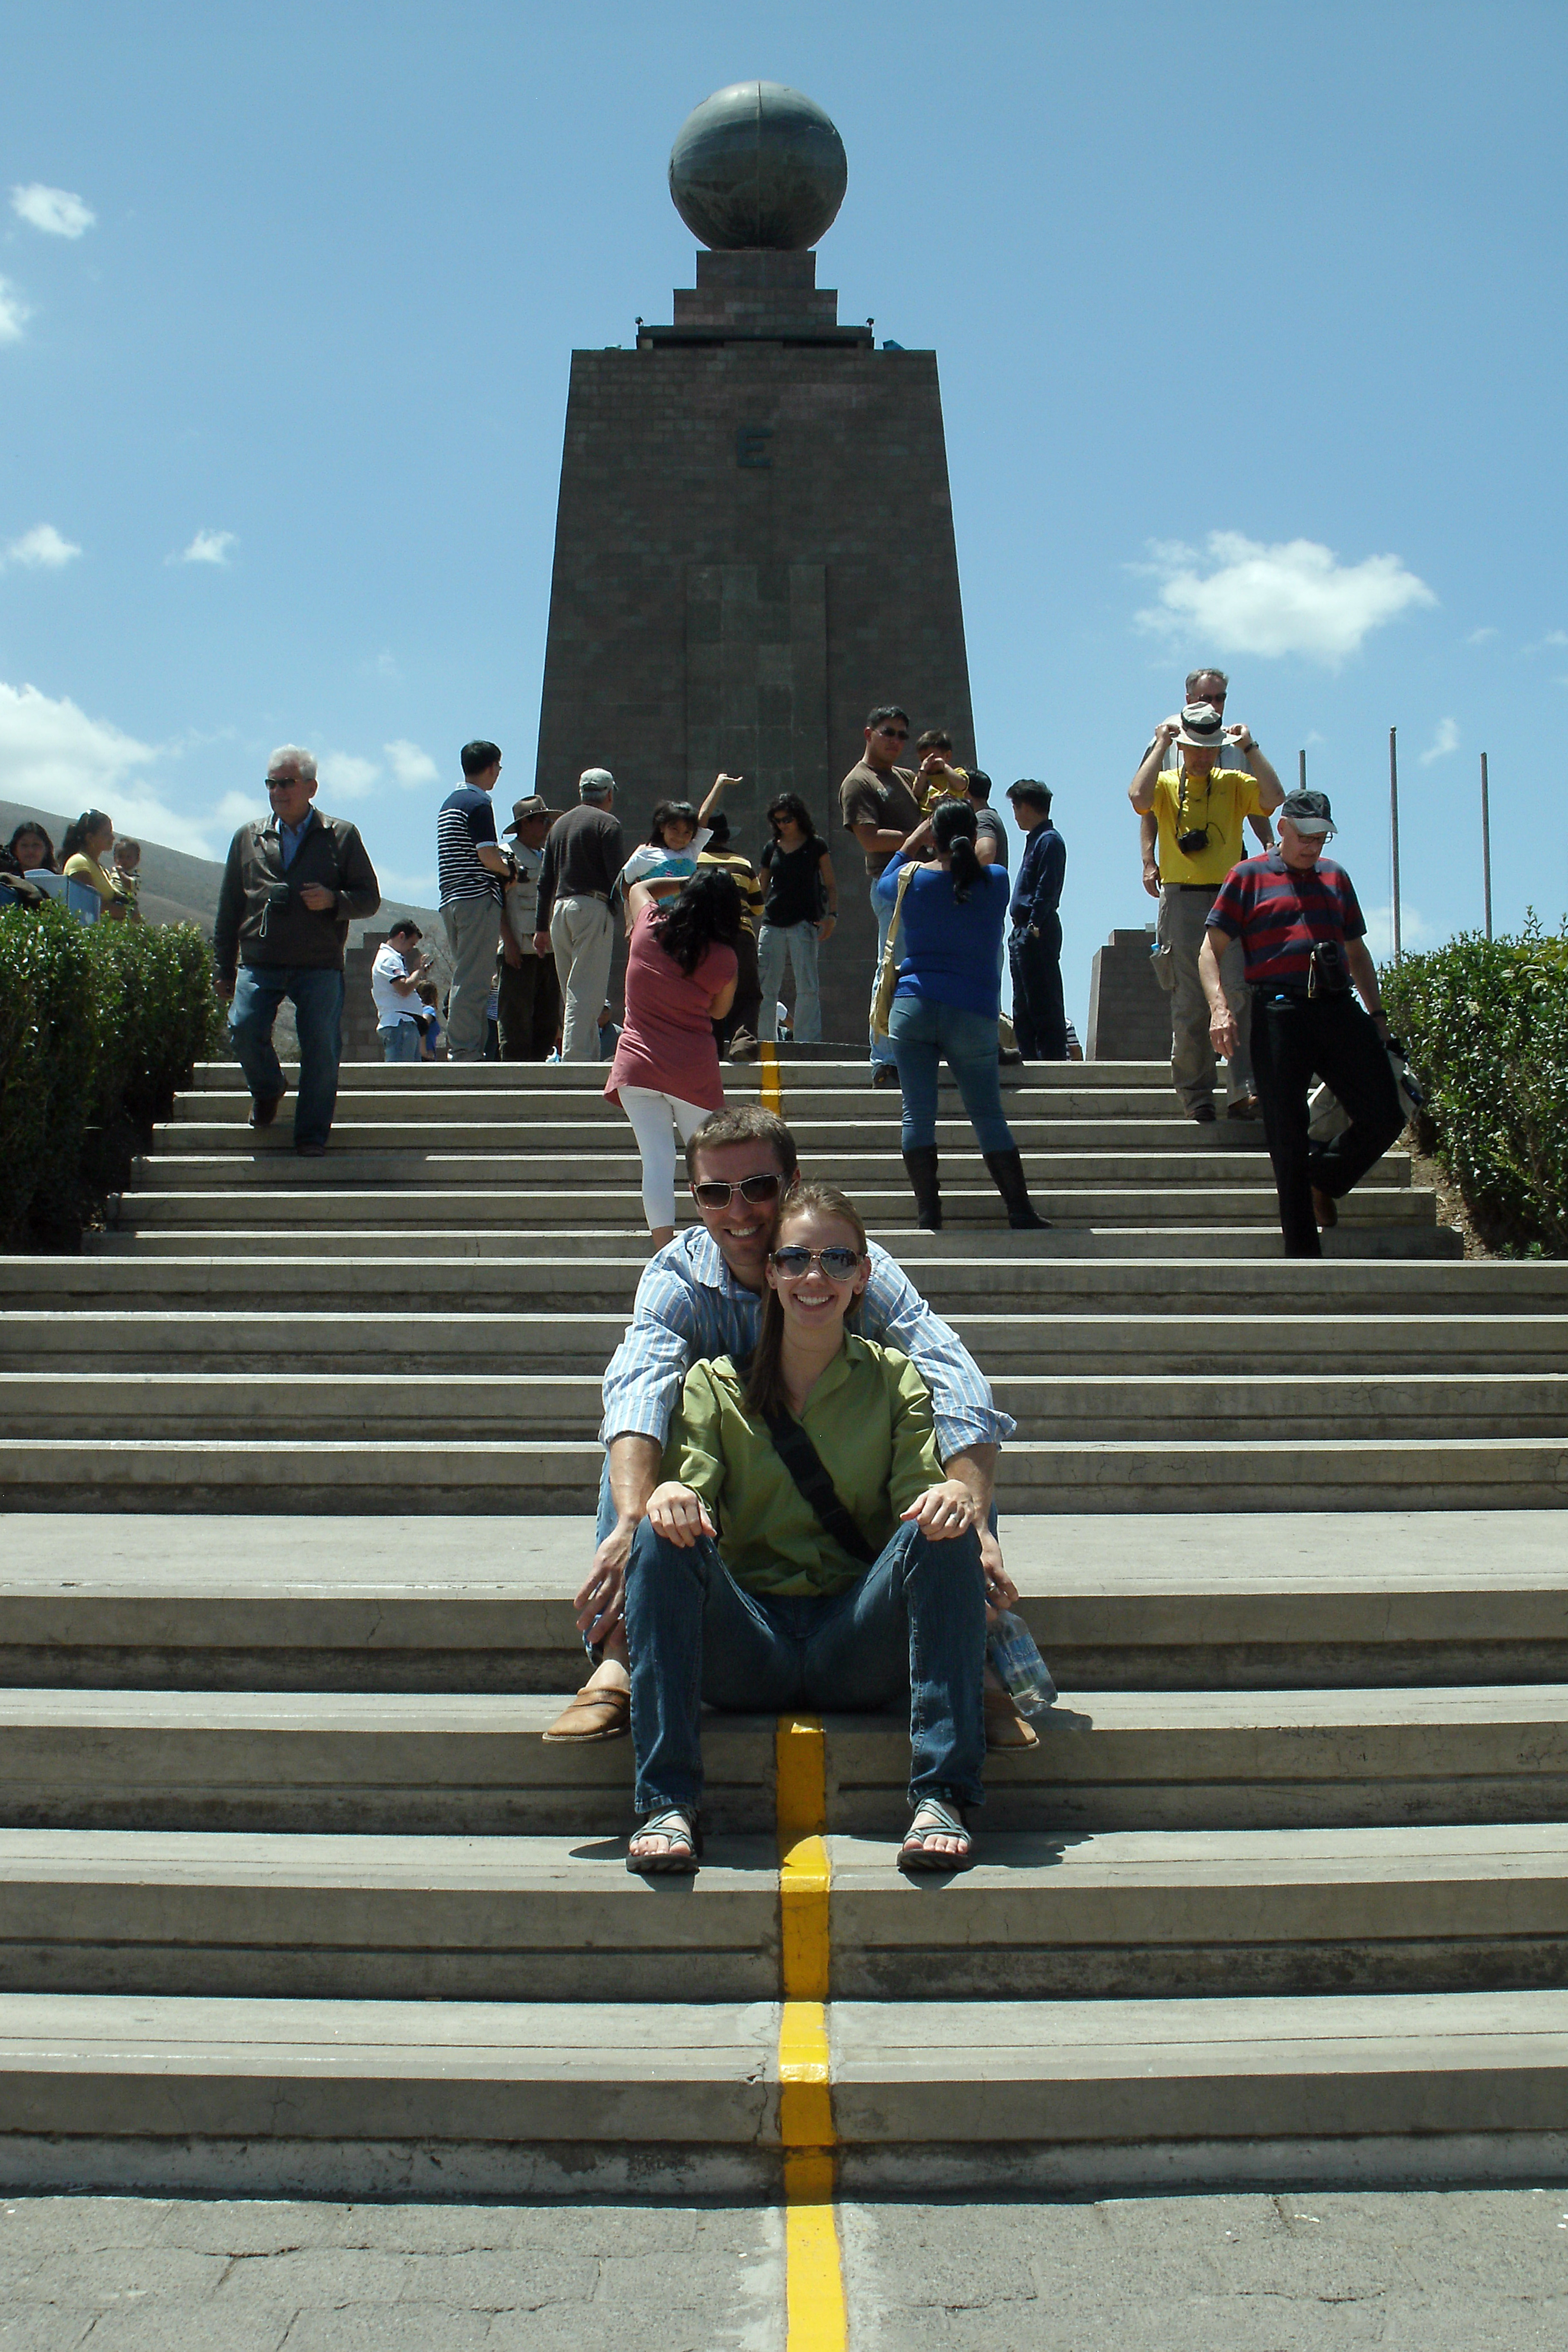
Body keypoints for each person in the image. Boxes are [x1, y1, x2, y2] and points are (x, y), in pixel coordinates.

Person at [543, 1102, 1017, 1750]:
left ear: (792, 1184)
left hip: (844, 1483)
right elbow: (637, 1388)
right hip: (731, 1481)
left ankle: (977, 1657)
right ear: (695, 1197)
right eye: (715, 1193)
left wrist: (975, 1521)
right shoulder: (677, 1276)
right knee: (635, 1459)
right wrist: (632, 1517)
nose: (738, 1212)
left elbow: (958, 1380)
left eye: (758, 1188)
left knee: (959, 1463)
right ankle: (620, 1657)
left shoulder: (851, 1261)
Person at [622, 1179, 987, 1873]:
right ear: (770, 1273)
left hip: (853, 1636)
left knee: (944, 1525)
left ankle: (942, 1792)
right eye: (793, 1259)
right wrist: (671, 1490)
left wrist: (948, 1498)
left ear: (863, 1277)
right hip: (748, 1639)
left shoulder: (895, 1379)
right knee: (655, 1534)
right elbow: (692, 1484)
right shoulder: (714, 1383)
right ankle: (666, 1801)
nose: (813, 1277)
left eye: (837, 1261)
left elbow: (914, 1499)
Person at [1201, 790, 1404, 1258]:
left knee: (1384, 1114)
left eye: (1322, 836)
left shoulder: (1335, 876)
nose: (1314, 845)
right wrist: (1219, 1008)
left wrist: (1376, 1016)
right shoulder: (1247, 876)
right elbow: (1209, 950)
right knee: (1286, 1133)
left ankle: (1325, 1179)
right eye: (1306, 835)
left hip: (1336, 1008)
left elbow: (1356, 952)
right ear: (1282, 828)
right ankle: (1302, 1256)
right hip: (1278, 1014)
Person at [876, 800, 1049, 1233]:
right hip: (971, 1012)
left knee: (916, 1112)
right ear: (972, 836)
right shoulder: (996, 881)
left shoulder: (906, 880)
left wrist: (914, 839)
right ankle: (1018, 1209)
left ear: (932, 836)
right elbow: (982, 855)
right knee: (987, 1113)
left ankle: (928, 1214)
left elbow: (881, 884)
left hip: (912, 1007)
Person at [213, 745, 381, 1156]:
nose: (277, 791)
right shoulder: (247, 837)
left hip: (319, 963)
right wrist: (224, 966)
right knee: (244, 1028)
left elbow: (370, 898)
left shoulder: (341, 835)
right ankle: (269, 1089)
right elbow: (229, 907)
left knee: (322, 1049)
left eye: (286, 783)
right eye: (271, 783)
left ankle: (310, 1135)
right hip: (260, 961)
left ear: (311, 787)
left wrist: (334, 900)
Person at [1129, 699, 1285, 1124]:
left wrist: (1250, 748)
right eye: (1194, 747)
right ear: (1182, 747)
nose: (1201, 756)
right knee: (1189, 1003)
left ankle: (1242, 1090)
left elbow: (1274, 799)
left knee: (1237, 993)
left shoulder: (1233, 781)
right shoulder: (1164, 782)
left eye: (1209, 748)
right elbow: (1138, 799)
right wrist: (1160, 744)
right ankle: (1196, 1095)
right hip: (1180, 900)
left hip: (1228, 897)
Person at [605, 866, 740, 1248]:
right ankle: (721, 1243)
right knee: (711, 1163)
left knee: (657, 1161)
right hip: (691, 1073)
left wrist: (690, 882)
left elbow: (639, 886)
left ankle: (663, 1251)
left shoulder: (648, 924)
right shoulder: (724, 958)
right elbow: (718, 1012)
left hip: (636, 1066)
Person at [1137, 668, 1276, 901]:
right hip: (1180, 870)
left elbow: (1257, 802)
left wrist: (1269, 844)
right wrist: (1149, 861)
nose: (1214, 705)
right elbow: (1147, 806)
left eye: (1220, 698)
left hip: (1229, 863)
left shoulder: (1238, 744)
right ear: (1189, 700)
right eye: (1206, 699)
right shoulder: (1166, 742)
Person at [840, 704, 924, 1087]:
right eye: (888, 732)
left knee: (920, 969)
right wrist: (923, 837)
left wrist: (933, 774)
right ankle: (884, 1060)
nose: (896, 741)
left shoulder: (903, 777)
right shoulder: (859, 782)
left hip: (924, 883)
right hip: (893, 885)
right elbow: (869, 838)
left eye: (903, 735)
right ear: (869, 733)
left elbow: (923, 803)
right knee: (891, 967)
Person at [533, 768, 624, 1060]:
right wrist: (623, 913)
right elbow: (616, 877)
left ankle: (585, 1056)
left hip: (559, 911)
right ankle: (575, 1063)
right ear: (609, 794)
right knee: (586, 993)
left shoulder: (559, 826)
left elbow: (545, 879)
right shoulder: (608, 824)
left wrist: (540, 928)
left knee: (573, 992)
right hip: (592, 907)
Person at [437, 741, 512, 1063]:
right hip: (476, 898)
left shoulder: (450, 803)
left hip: (451, 899)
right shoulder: (479, 803)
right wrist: (510, 870)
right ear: (491, 767)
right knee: (475, 979)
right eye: (498, 767)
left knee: (466, 975)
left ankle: (469, 1048)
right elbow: (487, 855)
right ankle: (466, 1051)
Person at [757, 793, 836, 1044]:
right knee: (766, 987)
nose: (783, 825)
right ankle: (765, 1039)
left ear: (798, 818)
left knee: (808, 986)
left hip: (805, 922)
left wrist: (831, 915)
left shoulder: (816, 846)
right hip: (773, 922)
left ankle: (807, 1041)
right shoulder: (771, 848)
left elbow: (831, 884)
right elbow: (761, 887)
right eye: (778, 820)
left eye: (787, 819)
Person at [1005, 781, 1068, 1061]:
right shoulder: (1035, 840)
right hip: (1022, 930)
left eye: (1016, 807)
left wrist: (1034, 926)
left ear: (1028, 806)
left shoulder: (1050, 841)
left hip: (1036, 928)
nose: (1016, 815)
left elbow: (1047, 889)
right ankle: (1029, 1058)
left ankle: (1050, 1062)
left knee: (1043, 1002)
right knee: (1023, 1005)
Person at [496, 796, 562, 1062]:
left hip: (551, 952)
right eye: (542, 820)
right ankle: (512, 1083)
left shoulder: (551, 858)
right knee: (516, 1021)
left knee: (547, 1021)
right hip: (519, 952)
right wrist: (508, 942)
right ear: (525, 824)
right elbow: (497, 902)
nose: (548, 826)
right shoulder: (505, 855)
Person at [695, 810, 763, 1060]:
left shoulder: (693, 862)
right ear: (726, 838)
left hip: (702, 935)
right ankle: (742, 1043)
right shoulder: (743, 864)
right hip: (740, 934)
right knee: (747, 993)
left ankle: (708, 1046)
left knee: (705, 991)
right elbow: (758, 907)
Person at [617, 774, 739, 905]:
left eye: (687, 832)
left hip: (686, 920)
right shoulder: (644, 855)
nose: (680, 837)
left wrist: (719, 784)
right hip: (656, 922)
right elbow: (623, 884)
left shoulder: (692, 851)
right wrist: (640, 912)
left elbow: (704, 816)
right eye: (675, 830)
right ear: (662, 827)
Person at [371, 921, 430, 1062]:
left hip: (405, 1025)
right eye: (412, 944)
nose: (411, 949)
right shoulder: (389, 958)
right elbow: (404, 988)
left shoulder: (393, 958)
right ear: (402, 936)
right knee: (401, 1079)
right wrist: (419, 972)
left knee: (410, 1080)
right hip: (400, 1026)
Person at [60, 812, 130, 925]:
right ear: (90, 838)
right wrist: (124, 912)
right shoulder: (79, 863)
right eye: (107, 834)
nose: (112, 838)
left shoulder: (102, 869)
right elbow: (90, 904)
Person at [6, 822, 61, 899]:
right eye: (24, 845)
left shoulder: (59, 883)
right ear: (15, 850)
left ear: (46, 849)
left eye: (36, 845)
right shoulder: (6, 883)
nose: (30, 851)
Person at [110, 837, 144, 921]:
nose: (124, 860)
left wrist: (122, 874)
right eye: (121, 857)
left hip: (125, 901)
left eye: (129, 857)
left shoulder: (135, 875)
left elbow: (130, 885)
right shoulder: (113, 872)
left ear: (137, 860)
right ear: (115, 858)